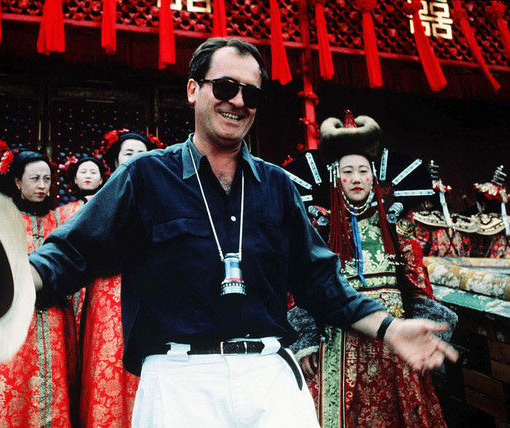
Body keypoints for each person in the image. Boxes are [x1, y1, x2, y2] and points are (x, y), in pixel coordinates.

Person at [28, 38, 458, 427]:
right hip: (180, 380)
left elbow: (320, 282)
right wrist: (18, 279)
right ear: (194, 89)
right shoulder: (145, 177)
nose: (238, 101)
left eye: (250, 93)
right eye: (225, 87)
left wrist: (391, 329)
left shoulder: (276, 186)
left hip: (269, 376)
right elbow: (72, 252)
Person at [287, 112, 455, 427]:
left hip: (394, 342)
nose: (355, 179)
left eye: (363, 171)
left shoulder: (396, 226)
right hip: (335, 342)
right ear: (336, 176)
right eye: (347, 171)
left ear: (373, 177)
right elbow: (302, 285)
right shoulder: (319, 228)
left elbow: (419, 288)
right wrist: (305, 339)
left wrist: (426, 332)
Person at [0, 149, 77, 428]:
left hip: (51, 319)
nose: (42, 186)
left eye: (48, 179)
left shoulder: (61, 221)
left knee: (50, 390)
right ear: (17, 181)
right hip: (9, 318)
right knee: (8, 389)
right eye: (35, 179)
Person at [77, 129, 162, 428]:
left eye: (143, 154)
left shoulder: (164, 200)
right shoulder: (98, 201)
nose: (137, 160)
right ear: (114, 161)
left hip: (151, 296)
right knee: (108, 368)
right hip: (108, 297)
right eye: (129, 154)